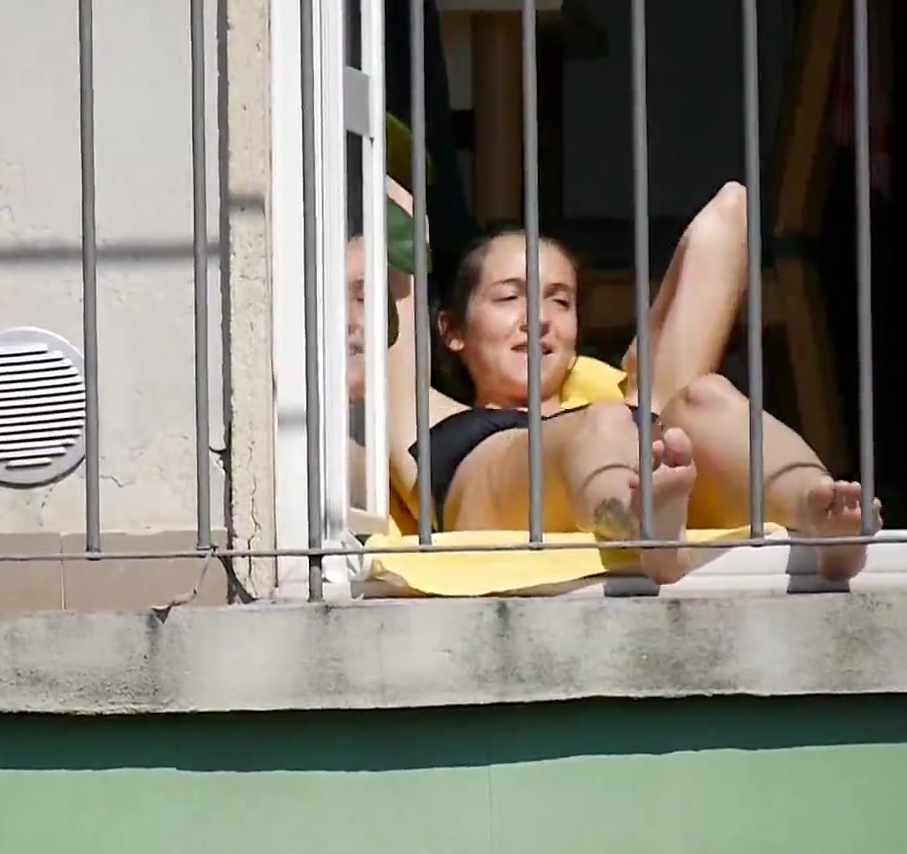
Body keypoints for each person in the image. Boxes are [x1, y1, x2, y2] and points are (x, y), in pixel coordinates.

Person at [362, 181, 879, 584]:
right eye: (509, 297)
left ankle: (817, 511)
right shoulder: (421, 409)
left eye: (559, 301)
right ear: (450, 330)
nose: (538, 319)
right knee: (604, 423)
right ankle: (641, 523)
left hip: (640, 466)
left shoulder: (633, 405)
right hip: (512, 488)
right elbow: (388, 216)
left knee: (706, 396)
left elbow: (731, 213)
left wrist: (646, 345)